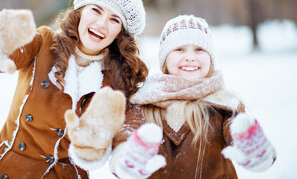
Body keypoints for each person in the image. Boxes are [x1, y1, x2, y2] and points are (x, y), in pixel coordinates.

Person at [0, 0, 148, 179]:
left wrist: (97, 150)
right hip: (10, 170)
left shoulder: (118, 82)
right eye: (96, 10)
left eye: (114, 19)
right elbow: (6, 55)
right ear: (80, 11)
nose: (101, 23)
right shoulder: (42, 44)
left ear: (120, 32)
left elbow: (123, 136)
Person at [109, 15, 277, 178]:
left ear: (210, 59)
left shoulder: (225, 105)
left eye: (199, 49)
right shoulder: (145, 101)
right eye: (179, 49)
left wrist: (251, 146)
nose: (190, 57)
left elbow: (236, 128)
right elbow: (127, 133)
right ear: (165, 59)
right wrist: (128, 156)